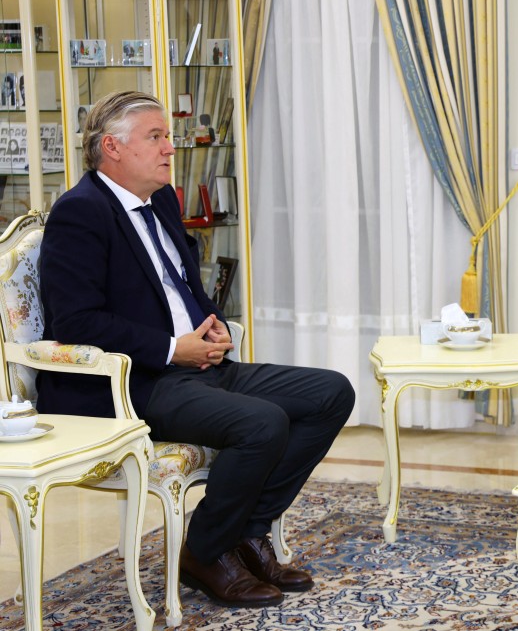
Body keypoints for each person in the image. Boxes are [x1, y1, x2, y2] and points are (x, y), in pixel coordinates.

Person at [37, 91, 356, 608]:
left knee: (330, 392)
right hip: (134, 383)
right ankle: (204, 553)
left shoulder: (160, 198)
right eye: (156, 137)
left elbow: (182, 282)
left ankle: (247, 535)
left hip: (197, 363)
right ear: (112, 148)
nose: (170, 148)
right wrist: (169, 348)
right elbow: (75, 322)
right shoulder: (80, 213)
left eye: (167, 136)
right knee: (262, 423)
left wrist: (213, 326)